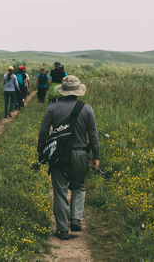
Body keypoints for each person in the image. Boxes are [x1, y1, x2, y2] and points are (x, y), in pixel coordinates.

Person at [37, 75, 100, 240]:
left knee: (60, 191)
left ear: (63, 91)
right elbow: (93, 135)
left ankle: (62, 229)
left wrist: (42, 153)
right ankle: (76, 219)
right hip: (81, 153)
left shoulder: (52, 108)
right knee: (79, 187)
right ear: (78, 91)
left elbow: (43, 132)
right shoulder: (87, 109)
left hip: (59, 155)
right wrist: (96, 156)